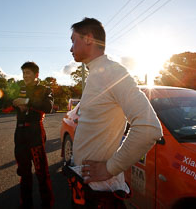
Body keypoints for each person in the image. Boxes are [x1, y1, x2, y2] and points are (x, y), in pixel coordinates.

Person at [66, 17, 163, 208]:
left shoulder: (113, 72)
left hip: (100, 194)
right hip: (85, 187)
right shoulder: (96, 74)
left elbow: (149, 128)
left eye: (73, 40)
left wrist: (110, 168)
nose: (70, 48)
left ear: (88, 38)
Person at [13, 61, 54, 209]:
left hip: (35, 132)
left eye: (28, 73)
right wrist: (16, 104)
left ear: (36, 75)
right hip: (20, 133)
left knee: (41, 172)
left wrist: (27, 103)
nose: (25, 76)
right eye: (23, 73)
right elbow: (8, 103)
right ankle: (26, 204)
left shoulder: (44, 89)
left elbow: (48, 107)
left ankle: (47, 204)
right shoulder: (20, 88)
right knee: (24, 173)